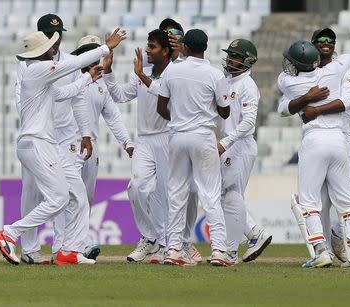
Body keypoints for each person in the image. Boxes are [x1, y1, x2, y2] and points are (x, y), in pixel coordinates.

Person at [0, 28, 126, 265]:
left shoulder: (43, 79)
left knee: (78, 194)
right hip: (36, 143)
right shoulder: (38, 70)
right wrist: (106, 48)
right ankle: (9, 233)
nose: (55, 50)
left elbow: (65, 93)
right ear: (41, 52)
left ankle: (68, 251)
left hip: (46, 143)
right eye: (50, 48)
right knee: (59, 198)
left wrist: (88, 77)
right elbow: (72, 65)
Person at [278, 28, 350, 264]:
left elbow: (349, 101)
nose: (326, 43)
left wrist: (312, 107)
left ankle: (327, 244)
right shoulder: (336, 69)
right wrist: (307, 97)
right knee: (339, 200)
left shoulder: (289, 80)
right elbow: (284, 108)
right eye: (320, 40)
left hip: (337, 136)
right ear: (313, 47)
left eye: (330, 40)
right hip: (333, 140)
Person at [15, 14, 101, 264]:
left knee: (68, 192)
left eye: (59, 33)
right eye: (52, 34)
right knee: (32, 191)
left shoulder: (71, 62)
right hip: (38, 137)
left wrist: (85, 133)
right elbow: (20, 97)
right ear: (41, 36)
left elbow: (78, 98)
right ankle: (29, 250)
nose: (57, 38)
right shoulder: (28, 64)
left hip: (64, 138)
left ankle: (62, 248)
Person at [157, 29, 231, 266]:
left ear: (185, 47)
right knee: (210, 194)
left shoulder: (172, 70)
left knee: (176, 193)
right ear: (205, 48)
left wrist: (180, 117)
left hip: (177, 136)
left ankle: (173, 250)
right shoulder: (215, 74)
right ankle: (219, 250)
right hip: (203, 137)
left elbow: (161, 108)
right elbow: (225, 111)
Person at [102, 29, 171, 263]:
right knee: (136, 187)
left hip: (167, 138)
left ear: (166, 50)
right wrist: (109, 71)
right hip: (145, 140)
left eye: (153, 47)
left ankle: (164, 244)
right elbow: (120, 96)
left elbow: (166, 95)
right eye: (148, 45)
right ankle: (150, 238)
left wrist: (142, 76)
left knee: (163, 194)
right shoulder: (143, 72)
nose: (148, 51)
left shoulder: (173, 73)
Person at [218, 39, 272, 264]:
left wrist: (226, 142)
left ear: (247, 60)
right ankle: (250, 236)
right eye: (229, 54)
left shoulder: (247, 85)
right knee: (225, 196)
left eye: (236, 56)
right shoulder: (227, 82)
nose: (230, 58)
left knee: (230, 195)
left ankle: (237, 246)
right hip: (230, 145)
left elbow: (249, 122)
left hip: (240, 145)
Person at [71, 35, 134, 206]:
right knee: (68, 199)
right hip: (68, 146)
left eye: (95, 53)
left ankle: (81, 234)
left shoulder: (101, 85)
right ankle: (64, 234)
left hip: (91, 148)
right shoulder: (70, 79)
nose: (93, 59)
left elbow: (113, 116)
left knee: (87, 199)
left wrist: (127, 143)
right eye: (87, 54)